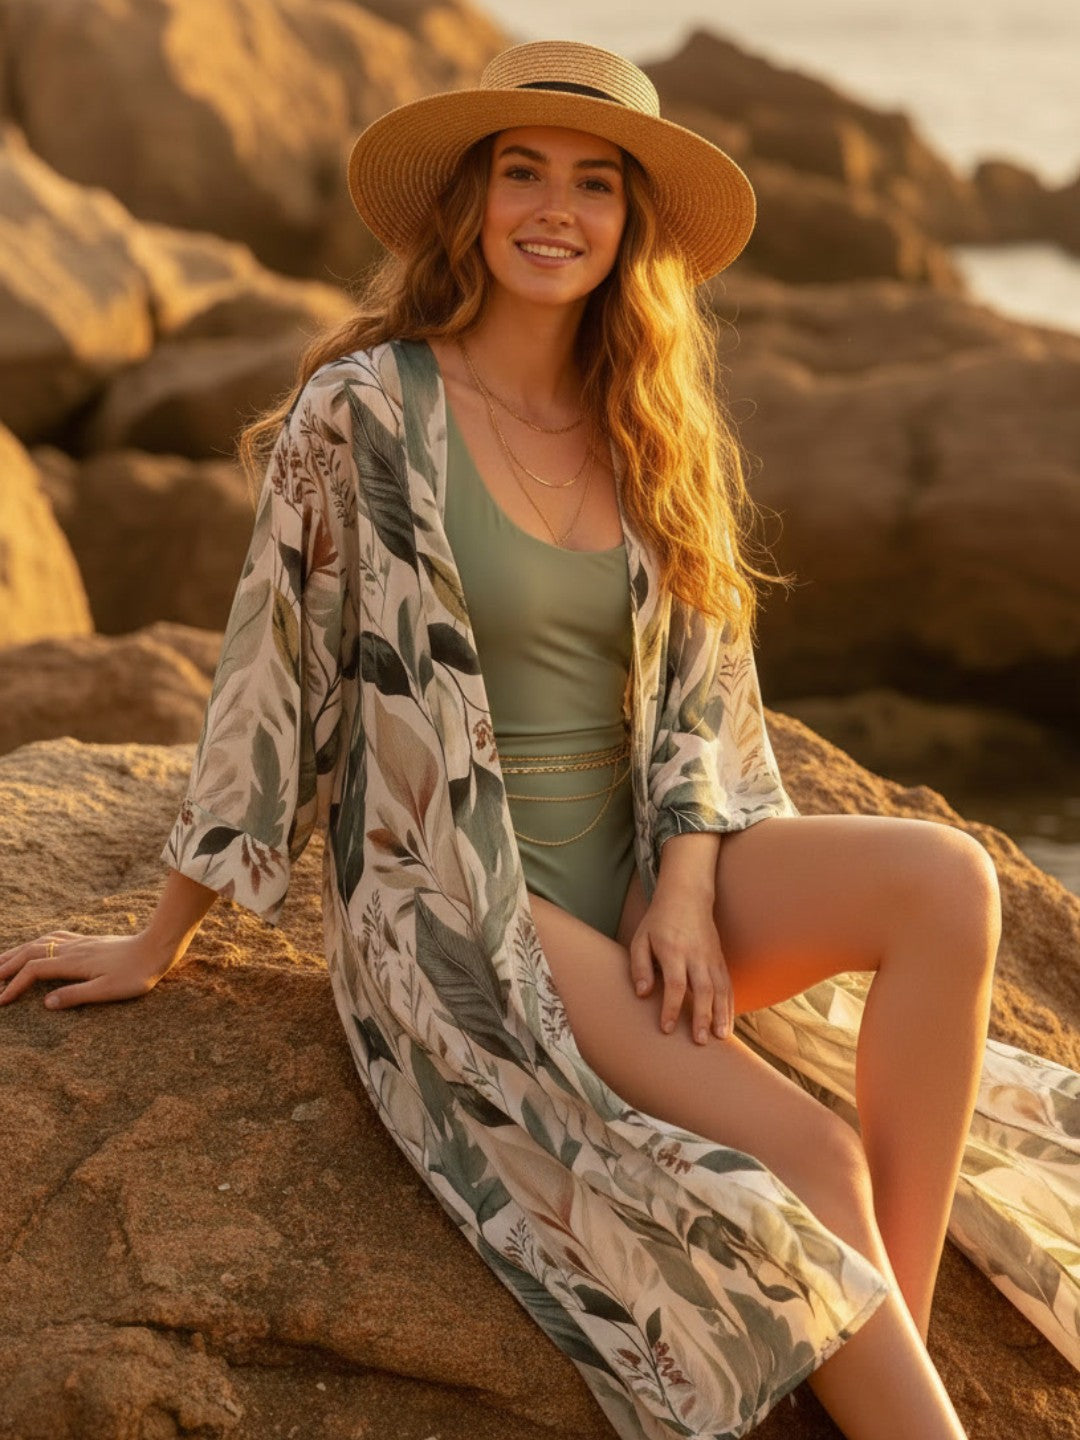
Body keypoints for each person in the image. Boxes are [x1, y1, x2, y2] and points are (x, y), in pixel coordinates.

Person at [0, 41, 1009, 1440]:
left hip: (641, 864)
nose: (557, 208)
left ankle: (865, 1362)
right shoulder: (361, 411)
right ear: (472, 201)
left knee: (951, 883)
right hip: (465, 900)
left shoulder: (651, 423)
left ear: (629, 225)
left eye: (595, 184)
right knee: (812, 1156)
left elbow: (710, 694)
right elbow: (266, 677)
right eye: (522, 172)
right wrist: (158, 937)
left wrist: (690, 886)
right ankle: (901, 1395)